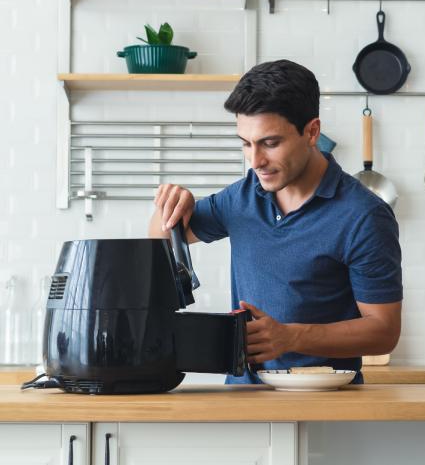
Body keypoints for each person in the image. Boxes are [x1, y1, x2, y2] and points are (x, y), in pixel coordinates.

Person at [148, 60, 403, 384]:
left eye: (270, 143)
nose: (255, 161)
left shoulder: (364, 215)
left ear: (312, 132)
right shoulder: (242, 198)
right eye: (245, 143)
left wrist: (292, 337)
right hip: (244, 407)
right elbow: (160, 238)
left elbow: (384, 331)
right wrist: (172, 204)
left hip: (326, 408)